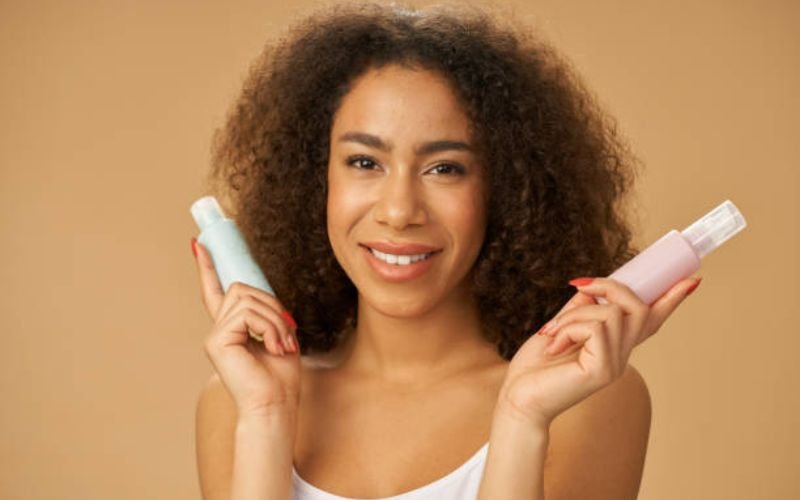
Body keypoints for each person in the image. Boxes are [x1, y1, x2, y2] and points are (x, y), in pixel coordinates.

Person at [191, 2, 701, 499]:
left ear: (507, 190)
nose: (399, 210)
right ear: (314, 179)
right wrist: (265, 415)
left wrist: (522, 418)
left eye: (445, 168)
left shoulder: (586, 398)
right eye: (365, 162)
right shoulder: (237, 399)